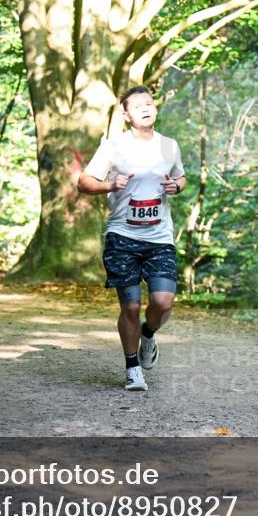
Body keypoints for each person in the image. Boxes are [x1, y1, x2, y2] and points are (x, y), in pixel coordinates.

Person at [77, 86, 187, 391]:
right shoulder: (114, 147)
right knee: (131, 308)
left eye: (149, 103)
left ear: (155, 108)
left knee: (162, 303)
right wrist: (111, 185)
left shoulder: (168, 145)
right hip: (122, 236)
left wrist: (177, 187)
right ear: (126, 115)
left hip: (159, 237)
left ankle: (148, 335)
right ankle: (132, 368)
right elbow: (84, 182)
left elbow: (180, 176)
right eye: (137, 106)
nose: (145, 108)